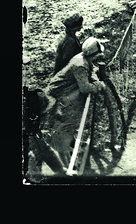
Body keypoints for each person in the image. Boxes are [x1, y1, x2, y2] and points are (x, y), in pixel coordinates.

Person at [44, 37, 110, 165]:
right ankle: (67, 159)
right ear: (94, 54)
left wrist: (95, 80)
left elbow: (91, 72)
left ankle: (70, 145)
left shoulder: (83, 58)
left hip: (64, 93)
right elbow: (85, 88)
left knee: (66, 124)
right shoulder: (80, 64)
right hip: (56, 95)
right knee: (63, 125)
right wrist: (99, 86)